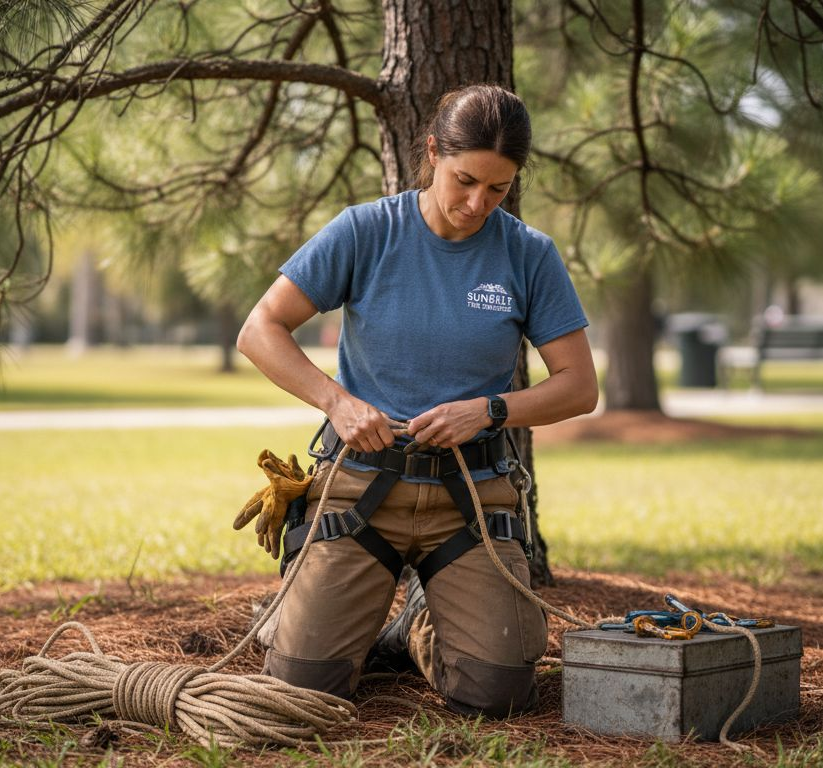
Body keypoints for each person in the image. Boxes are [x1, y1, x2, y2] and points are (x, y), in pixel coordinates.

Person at [236, 84, 597, 718]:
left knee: (499, 692)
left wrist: (490, 410)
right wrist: (338, 402)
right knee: (302, 688)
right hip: (359, 490)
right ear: (431, 153)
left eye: (498, 189)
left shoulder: (529, 255)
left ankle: (421, 621)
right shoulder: (364, 231)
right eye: (464, 180)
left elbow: (578, 385)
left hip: (472, 500)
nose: (476, 203)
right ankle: (319, 609)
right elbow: (259, 329)